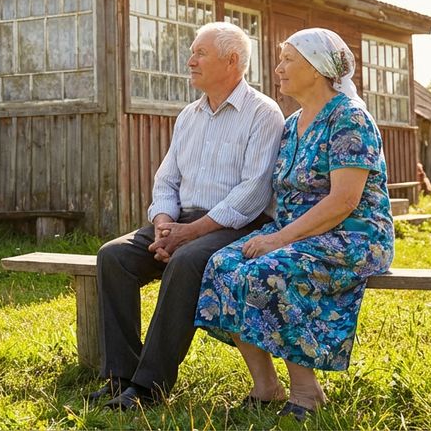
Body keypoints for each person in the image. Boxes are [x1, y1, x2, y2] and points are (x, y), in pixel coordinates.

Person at [194, 28, 394, 422]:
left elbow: (345, 200)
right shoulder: (291, 124)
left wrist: (279, 240)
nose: (278, 68)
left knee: (270, 272)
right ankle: (266, 386)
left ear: (318, 69)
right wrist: (273, 235)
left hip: (354, 234)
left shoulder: (350, 118)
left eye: (288, 59)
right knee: (221, 265)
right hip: (295, 232)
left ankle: (307, 391)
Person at [90, 21, 285, 410]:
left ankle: (149, 387)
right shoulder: (189, 115)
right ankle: (121, 375)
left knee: (186, 259)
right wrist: (164, 224)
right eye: (192, 52)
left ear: (232, 61)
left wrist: (190, 233)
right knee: (114, 255)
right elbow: (167, 180)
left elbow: (254, 192)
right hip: (182, 222)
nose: (190, 60)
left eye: (200, 53)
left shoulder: (263, 113)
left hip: (237, 224)